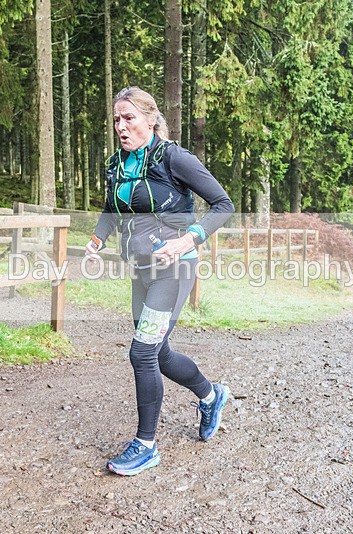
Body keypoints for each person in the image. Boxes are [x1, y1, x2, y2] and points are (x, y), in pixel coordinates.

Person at [85, 86, 235, 476]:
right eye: (116, 119)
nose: (121, 125)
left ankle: (146, 446)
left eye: (129, 117)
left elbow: (223, 204)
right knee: (159, 353)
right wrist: (99, 237)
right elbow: (111, 207)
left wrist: (189, 239)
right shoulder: (116, 163)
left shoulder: (174, 158)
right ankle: (211, 395)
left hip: (176, 267)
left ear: (151, 119)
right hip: (142, 270)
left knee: (142, 353)